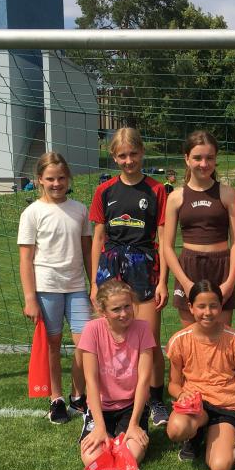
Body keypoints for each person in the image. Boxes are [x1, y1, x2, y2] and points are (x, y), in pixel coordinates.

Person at [89, 127, 170, 428]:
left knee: (149, 340)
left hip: (144, 263)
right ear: (114, 157)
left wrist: (162, 281)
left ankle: (156, 399)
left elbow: (163, 238)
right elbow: (98, 237)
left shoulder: (156, 189)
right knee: (112, 338)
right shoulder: (104, 190)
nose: (128, 160)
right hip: (111, 264)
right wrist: (95, 281)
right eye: (122, 155)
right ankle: (111, 398)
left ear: (142, 153)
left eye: (133, 154)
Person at [17, 151, 93, 424]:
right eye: (50, 178)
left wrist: (94, 284)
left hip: (76, 287)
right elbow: (26, 258)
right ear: (40, 180)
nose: (56, 183)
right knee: (52, 344)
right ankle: (56, 398)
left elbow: (87, 252)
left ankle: (78, 395)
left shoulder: (80, 209)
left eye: (61, 177)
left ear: (68, 178)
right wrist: (30, 298)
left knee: (85, 344)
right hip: (46, 288)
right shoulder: (32, 213)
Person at [165, 281, 235, 470]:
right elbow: (173, 384)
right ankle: (195, 436)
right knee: (176, 429)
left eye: (213, 306)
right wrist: (181, 394)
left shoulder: (234, 340)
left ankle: (210, 437)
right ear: (190, 307)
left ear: (221, 307)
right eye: (201, 306)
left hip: (227, 407)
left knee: (220, 467)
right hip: (196, 406)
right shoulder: (179, 340)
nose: (207, 312)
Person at [162, 130, 235, 329]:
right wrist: (186, 283)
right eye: (197, 158)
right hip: (188, 268)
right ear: (187, 159)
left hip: (220, 268)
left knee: (222, 341)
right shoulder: (175, 198)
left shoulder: (228, 194)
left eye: (209, 158)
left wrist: (230, 282)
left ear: (215, 160)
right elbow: (167, 247)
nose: (204, 164)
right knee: (191, 341)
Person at [76, 279, 154, 467]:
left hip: (131, 406)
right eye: (116, 309)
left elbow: (144, 380)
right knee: (92, 459)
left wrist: (134, 424)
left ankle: (124, 434)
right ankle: (106, 433)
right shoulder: (91, 330)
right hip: (101, 407)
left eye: (127, 306)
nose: (124, 313)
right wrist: (100, 428)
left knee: (130, 456)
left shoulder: (143, 328)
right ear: (103, 312)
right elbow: (91, 381)